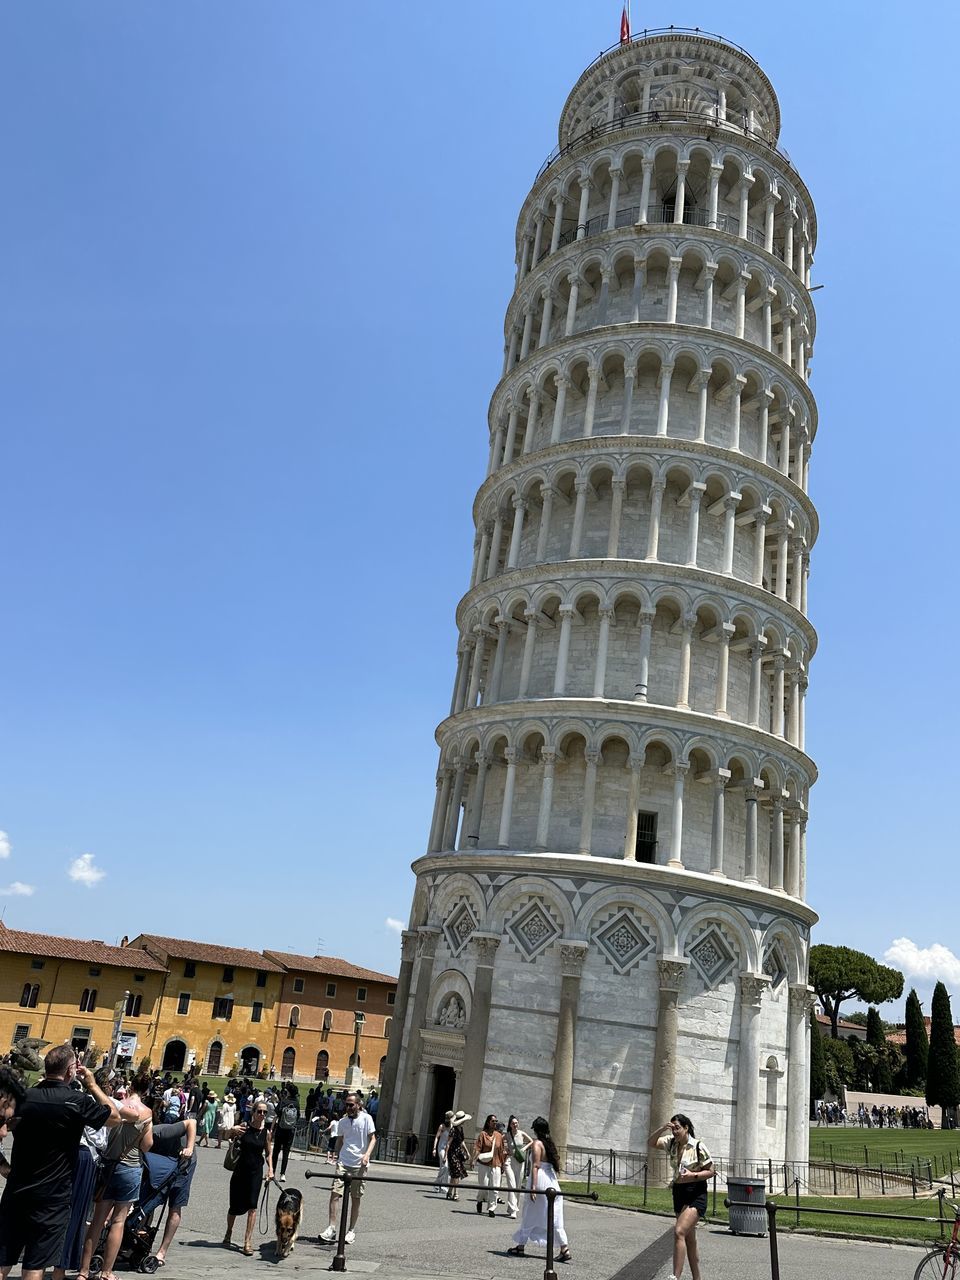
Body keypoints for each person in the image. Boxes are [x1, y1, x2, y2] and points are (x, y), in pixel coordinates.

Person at [0, 1046, 120, 1280]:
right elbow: (114, 1117)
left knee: (3, 1259)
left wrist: (5, 1169)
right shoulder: (76, 1100)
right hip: (53, 1196)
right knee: (35, 1265)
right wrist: (92, 1085)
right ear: (70, 1071)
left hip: (17, 1189)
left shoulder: (24, 1097)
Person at [78, 1071, 153, 1280]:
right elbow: (147, 1146)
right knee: (118, 1222)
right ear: (146, 1091)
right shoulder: (146, 1112)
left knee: (97, 1221)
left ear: (129, 1088)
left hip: (109, 1165)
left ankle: (83, 1271)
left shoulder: (116, 1105)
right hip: (130, 1167)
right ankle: (107, 1272)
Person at [648, 1113, 715, 1280]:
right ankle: (697, 1278)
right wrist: (663, 1128)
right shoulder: (671, 1143)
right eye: (673, 1128)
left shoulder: (698, 1146)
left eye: (677, 1128)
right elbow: (651, 1143)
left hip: (695, 1191)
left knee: (679, 1232)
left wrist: (693, 1175)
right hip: (679, 1192)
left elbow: (712, 1171)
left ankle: (674, 1277)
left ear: (686, 1128)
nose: (675, 1132)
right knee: (689, 1239)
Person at [507, 1116, 570, 1263]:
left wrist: (533, 1187)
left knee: (529, 1213)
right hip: (552, 1181)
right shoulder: (549, 1144)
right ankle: (564, 1248)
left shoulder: (537, 1144)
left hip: (540, 1179)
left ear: (536, 1130)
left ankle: (521, 1245)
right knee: (555, 1216)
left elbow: (536, 1165)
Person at [142, 1108, 197, 1267]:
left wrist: (190, 1148)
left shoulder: (160, 1132)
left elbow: (191, 1122)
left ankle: (162, 1252)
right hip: (163, 1164)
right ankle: (142, 1239)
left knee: (175, 1205)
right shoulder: (141, 1143)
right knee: (149, 1200)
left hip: (185, 1161)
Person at [319, 1092, 375, 1246]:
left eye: (351, 1104)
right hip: (344, 1161)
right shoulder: (343, 1122)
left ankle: (351, 1230)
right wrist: (336, 1157)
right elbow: (341, 1140)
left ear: (359, 1105)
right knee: (335, 1194)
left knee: (355, 1198)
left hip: (360, 1163)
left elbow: (373, 1139)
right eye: (347, 1104)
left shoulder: (367, 1119)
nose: (348, 1107)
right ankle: (331, 1228)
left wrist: (367, 1155)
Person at [223, 1100, 273, 1255]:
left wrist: (270, 1169)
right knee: (234, 1207)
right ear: (254, 1113)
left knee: (253, 1206)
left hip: (256, 1172)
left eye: (265, 1112)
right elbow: (226, 1137)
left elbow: (269, 1153)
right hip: (240, 1171)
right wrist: (232, 1129)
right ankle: (229, 1232)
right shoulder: (244, 1127)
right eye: (260, 1112)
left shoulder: (266, 1133)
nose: (262, 1115)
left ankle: (247, 1242)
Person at [473, 1113, 506, 1217]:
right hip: (484, 1164)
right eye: (493, 1121)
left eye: (496, 1121)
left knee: (495, 1188)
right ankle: (479, 1200)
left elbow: (501, 1151)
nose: (495, 1123)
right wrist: (473, 1160)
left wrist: (503, 1164)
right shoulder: (483, 1134)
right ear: (488, 1122)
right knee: (483, 1186)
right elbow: (478, 1148)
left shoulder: (499, 1136)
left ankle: (491, 1208)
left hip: (496, 1164)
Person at [502, 1116, 530, 1220]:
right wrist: (505, 1149)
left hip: (519, 1162)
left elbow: (531, 1141)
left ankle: (512, 1207)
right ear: (510, 1125)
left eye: (516, 1123)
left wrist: (524, 1148)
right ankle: (513, 1210)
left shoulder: (522, 1133)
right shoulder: (508, 1135)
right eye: (513, 1123)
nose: (515, 1125)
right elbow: (499, 1141)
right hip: (509, 1161)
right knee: (512, 1185)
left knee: (517, 1185)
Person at [274, 1085, 300, 1182]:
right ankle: (283, 1174)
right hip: (290, 1131)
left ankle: (272, 1171)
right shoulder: (296, 1103)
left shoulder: (284, 1101)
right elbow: (297, 1117)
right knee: (286, 1153)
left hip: (281, 1129)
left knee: (276, 1152)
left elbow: (277, 1113)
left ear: (288, 1092)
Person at [445, 1110, 470, 1202]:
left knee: (455, 1174)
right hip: (452, 1153)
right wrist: (445, 1156)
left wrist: (467, 1151)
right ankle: (456, 1193)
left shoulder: (461, 1129)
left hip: (458, 1153)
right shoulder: (453, 1130)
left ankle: (449, 1192)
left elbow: (462, 1141)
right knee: (456, 1173)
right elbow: (448, 1143)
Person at [432, 1111, 453, 1195]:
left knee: (444, 1168)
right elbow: (437, 1137)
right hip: (441, 1148)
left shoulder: (452, 1127)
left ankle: (439, 1185)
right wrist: (434, 1148)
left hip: (448, 1149)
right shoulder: (442, 1126)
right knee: (445, 1166)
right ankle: (440, 1184)